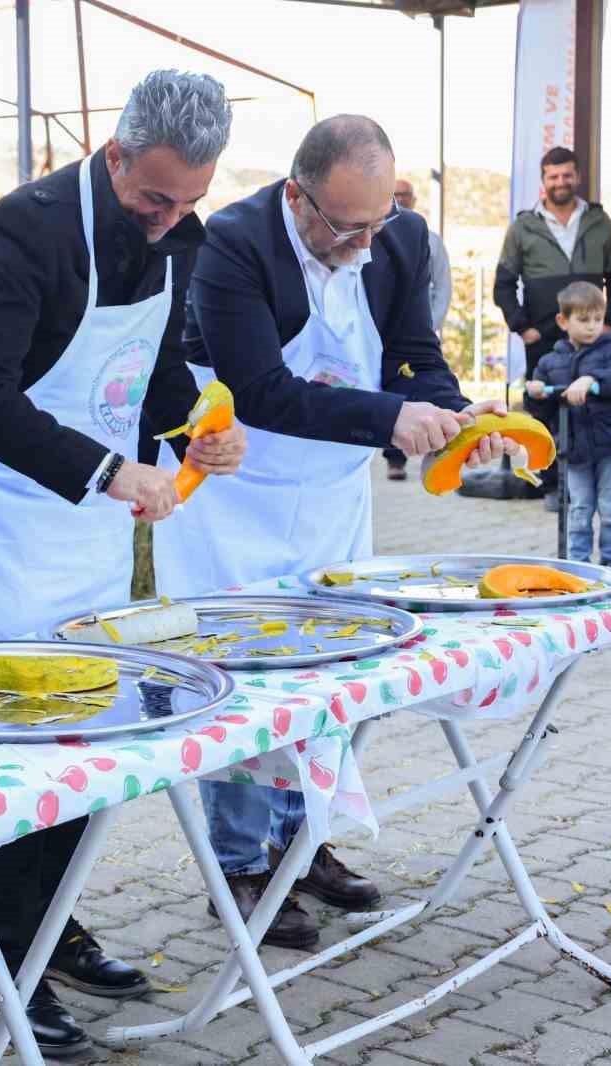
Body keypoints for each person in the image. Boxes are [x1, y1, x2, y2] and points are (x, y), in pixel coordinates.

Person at [0, 69, 246, 1059]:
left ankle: (53, 928)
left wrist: (195, 433)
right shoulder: (28, 227)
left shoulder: (177, 233)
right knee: (20, 752)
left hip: (90, 535)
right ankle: (9, 967)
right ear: (114, 154)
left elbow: (150, 371)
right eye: (154, 198)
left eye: (188, 201)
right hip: (6, 529)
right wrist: (105, 469)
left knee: (87, 749)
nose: (167, 219)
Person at [153, 115, 520, 950]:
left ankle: (302, 840)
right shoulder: (234, 244)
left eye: (377, 222)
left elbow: (416, 357)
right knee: (251, 683)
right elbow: (263, 389)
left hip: (328, 497)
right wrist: (394, 417)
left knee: (336, 672)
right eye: (344, 226)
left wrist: (457, 413)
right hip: (235, 495)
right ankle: (240, 865)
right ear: (296, 195)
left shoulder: (397, 239)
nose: (363, 244)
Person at [494, 146, 611, 507]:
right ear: (543, 181)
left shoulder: (599, 222)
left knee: (591, 403)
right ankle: (552, 485)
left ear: (578, 176)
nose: (561, 182)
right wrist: (522, 327)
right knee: (543, 405)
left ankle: (592, 486)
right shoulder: (524, 226)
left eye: (567, 174)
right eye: (553, 176)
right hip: (543, 333)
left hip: (591, 334)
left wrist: (610, 323)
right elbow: (503, 284)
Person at [526, 281, 611, 567]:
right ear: (563, 321)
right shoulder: (550, 361)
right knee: (579, 509)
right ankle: (579, 568)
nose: (592, 326)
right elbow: (539, 411)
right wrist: (536, 392)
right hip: (575, 450)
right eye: (584, 319)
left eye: (598, 319)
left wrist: (592, 380)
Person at [382, 178, 451, 480]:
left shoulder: (425, 237)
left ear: (414, 198)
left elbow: (442, 286)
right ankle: (394, 459)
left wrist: (428, 326)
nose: (399, 199)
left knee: (416, 392)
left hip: (419, 332)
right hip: (381, 335)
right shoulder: (366, 233)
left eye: (404, 195)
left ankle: (437, 441)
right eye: (393, 195)